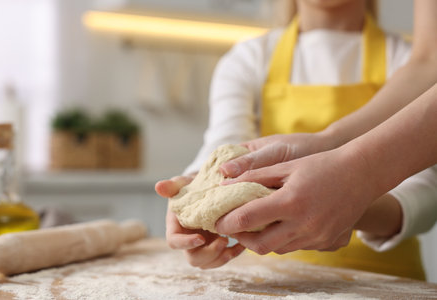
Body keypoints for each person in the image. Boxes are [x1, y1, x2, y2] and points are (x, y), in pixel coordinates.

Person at [155, 0, 428, 279]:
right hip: (275, 280)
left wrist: (346, 203)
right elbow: (225, 147)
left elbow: (425, 194)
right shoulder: (251, 57)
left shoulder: (411, 63)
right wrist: (195, 190)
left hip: (384, 280)